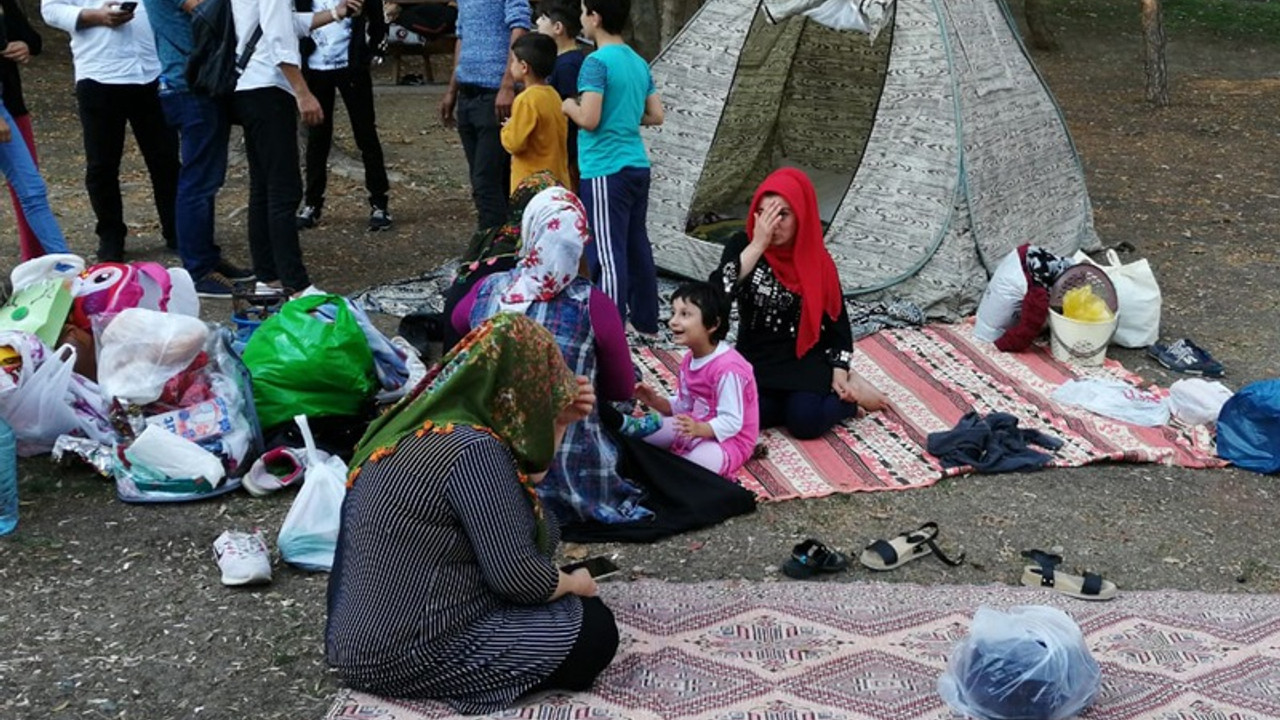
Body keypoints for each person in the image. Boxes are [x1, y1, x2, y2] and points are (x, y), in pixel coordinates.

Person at [327, 313, 619, 714]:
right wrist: (575, 584)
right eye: (542, 389)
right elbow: (519, 579)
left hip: (357, 640)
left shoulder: (419, 425)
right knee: (594, 629)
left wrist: (560, 423)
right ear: (520, 391)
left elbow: (521, 481)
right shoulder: (474, 450)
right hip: (402, 654)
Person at [452, 186, 652, 525]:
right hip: (573, 479)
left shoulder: (487, 289)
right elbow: (620, 389)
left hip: (483, 473)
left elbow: (459, 327)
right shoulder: (593, 304)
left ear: (529, 234)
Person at [712, 167, 890, 439]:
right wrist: (758, 245)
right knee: (741, 419)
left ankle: (849, 403)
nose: (773, 224)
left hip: (804, 360)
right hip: (756, 359)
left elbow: (837, 324)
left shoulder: (816, 259)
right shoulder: (743, 246)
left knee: (805, 423)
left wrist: (840, 370)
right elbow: (717, 295)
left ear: (801, 216)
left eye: (783, 214)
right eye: (764, 214)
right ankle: (793, 403)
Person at [230, 0, 356, 296]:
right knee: (283, 190)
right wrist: (303, 92)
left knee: (263, 187)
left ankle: (268, 277)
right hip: (269, 89)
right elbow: (278, 37)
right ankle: (294, 283)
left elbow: (285, 22)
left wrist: (334, 13)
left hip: (247, 86)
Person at [41, 0, 181, 263]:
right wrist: (94, 16)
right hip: (99, 72)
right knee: (102, 165)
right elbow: (50, 9)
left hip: (150, 69)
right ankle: (111, 236)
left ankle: (177, 231)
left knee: (166, 160)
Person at [140, 0, 255, 296]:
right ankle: (199, 270)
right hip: (189, 86)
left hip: (195, 82)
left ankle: (207, 257)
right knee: (198, 181)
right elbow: (204, 9)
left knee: (206, 178)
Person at [562, 0, 664, 334]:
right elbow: (655, 115)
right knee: (636, 244)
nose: (580, 18)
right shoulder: (637, 61)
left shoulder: (595, 63)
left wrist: (569, 106)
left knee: (606, 252)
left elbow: (589, 119)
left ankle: (610, 330)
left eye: (583, 11)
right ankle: (646, 321)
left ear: (595, 17)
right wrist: (623, 115)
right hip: (637, 164)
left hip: (606, 169)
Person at [631, 281, 760, 477]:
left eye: (685, 314)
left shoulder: (729, 369)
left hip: (729, 440)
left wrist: (700, 429)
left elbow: (732, 421)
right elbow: (685, 405)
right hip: (694, 426)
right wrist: (655, 401)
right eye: (673, 313)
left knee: (685, 472)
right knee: (640, 435)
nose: (672, 321)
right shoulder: (690, 359)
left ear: (713, 324)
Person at [294, 0, 394, 232]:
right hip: (315, 66)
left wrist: (370, 53)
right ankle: (312, 203)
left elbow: (378, 21)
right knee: (317, 137)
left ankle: (379, 202)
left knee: (365, 133)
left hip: (352, 65)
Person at [438, 0, 529, 230]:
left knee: (486, 181)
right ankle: (503, 243)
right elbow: (461, 36)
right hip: (467, 93)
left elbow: (520, 26)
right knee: (486, 180)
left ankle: (490, 249)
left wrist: (508, 84)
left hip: (495, 95)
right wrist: (452, 90)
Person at [0, 0, 55, 261]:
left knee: (32, 191)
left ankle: (50, 264)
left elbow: (32, 39)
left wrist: (25, 46)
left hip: (12, 104)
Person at [500, 33, 568, 189]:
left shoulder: (526, 100)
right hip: (557, 179)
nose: (511, 66)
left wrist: (508, 127)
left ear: (524, 67)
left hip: (531, 184)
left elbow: (515, 143)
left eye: (513, 61)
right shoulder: (553, 95)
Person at [534, 0, 582, 189]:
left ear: (558, 27)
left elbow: (570, 111)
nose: (537, 21)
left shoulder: (567, 65)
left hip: (568, 151)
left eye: (543, 18)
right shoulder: (564, 60)